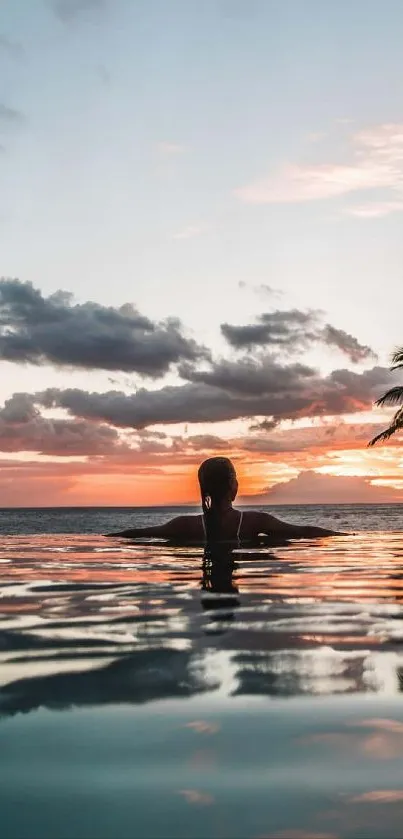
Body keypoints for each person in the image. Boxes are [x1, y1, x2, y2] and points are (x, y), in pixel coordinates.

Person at [104, 456, 344, 543]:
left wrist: (107, 537)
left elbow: (138, 533)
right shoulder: (252, 522)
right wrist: (342, 537)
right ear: (234, 487)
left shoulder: (185, 525)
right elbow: (303, 531)